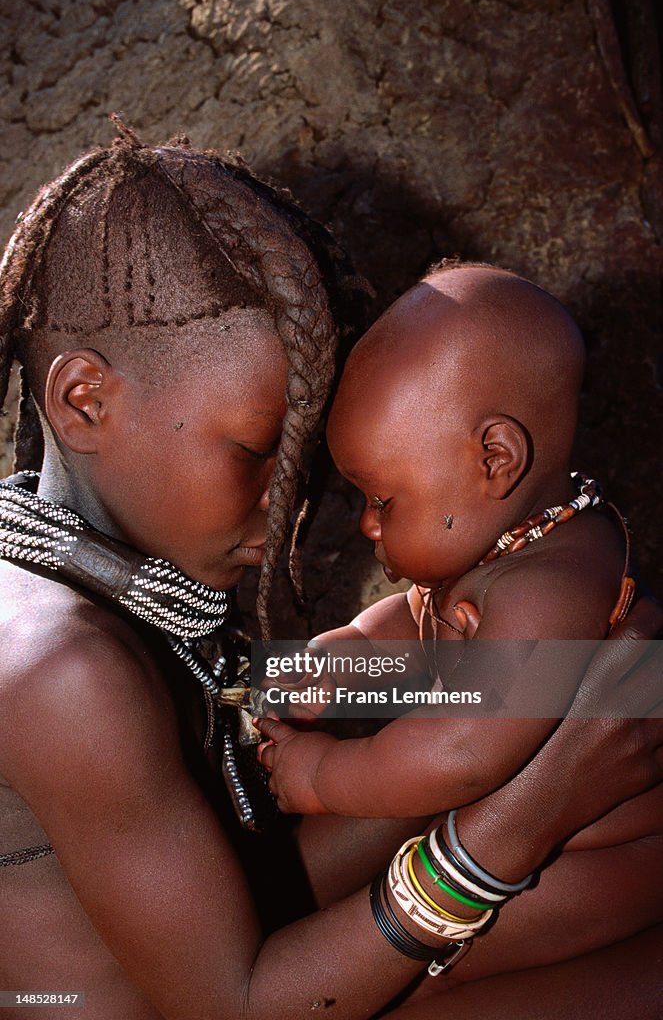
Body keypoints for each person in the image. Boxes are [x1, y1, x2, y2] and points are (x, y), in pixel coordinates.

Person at [0, 127, 661, 1020]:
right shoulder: (60, 672)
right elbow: (236, 1003)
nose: (289, 508)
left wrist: (542, 685)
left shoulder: (89, 556)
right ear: (86, 400)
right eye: (256, 449)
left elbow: (264, 788)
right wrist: (527, 816)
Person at [255, 264, 663, 987]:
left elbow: (463, 751)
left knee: (435, 971)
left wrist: (323, 775)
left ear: (493, 460)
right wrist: (341, 658)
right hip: (515, 818)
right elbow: (416, 623)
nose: (367, 524)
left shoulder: (549, 590)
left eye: (382, 497)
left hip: (597, 853)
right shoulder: (507, 538)